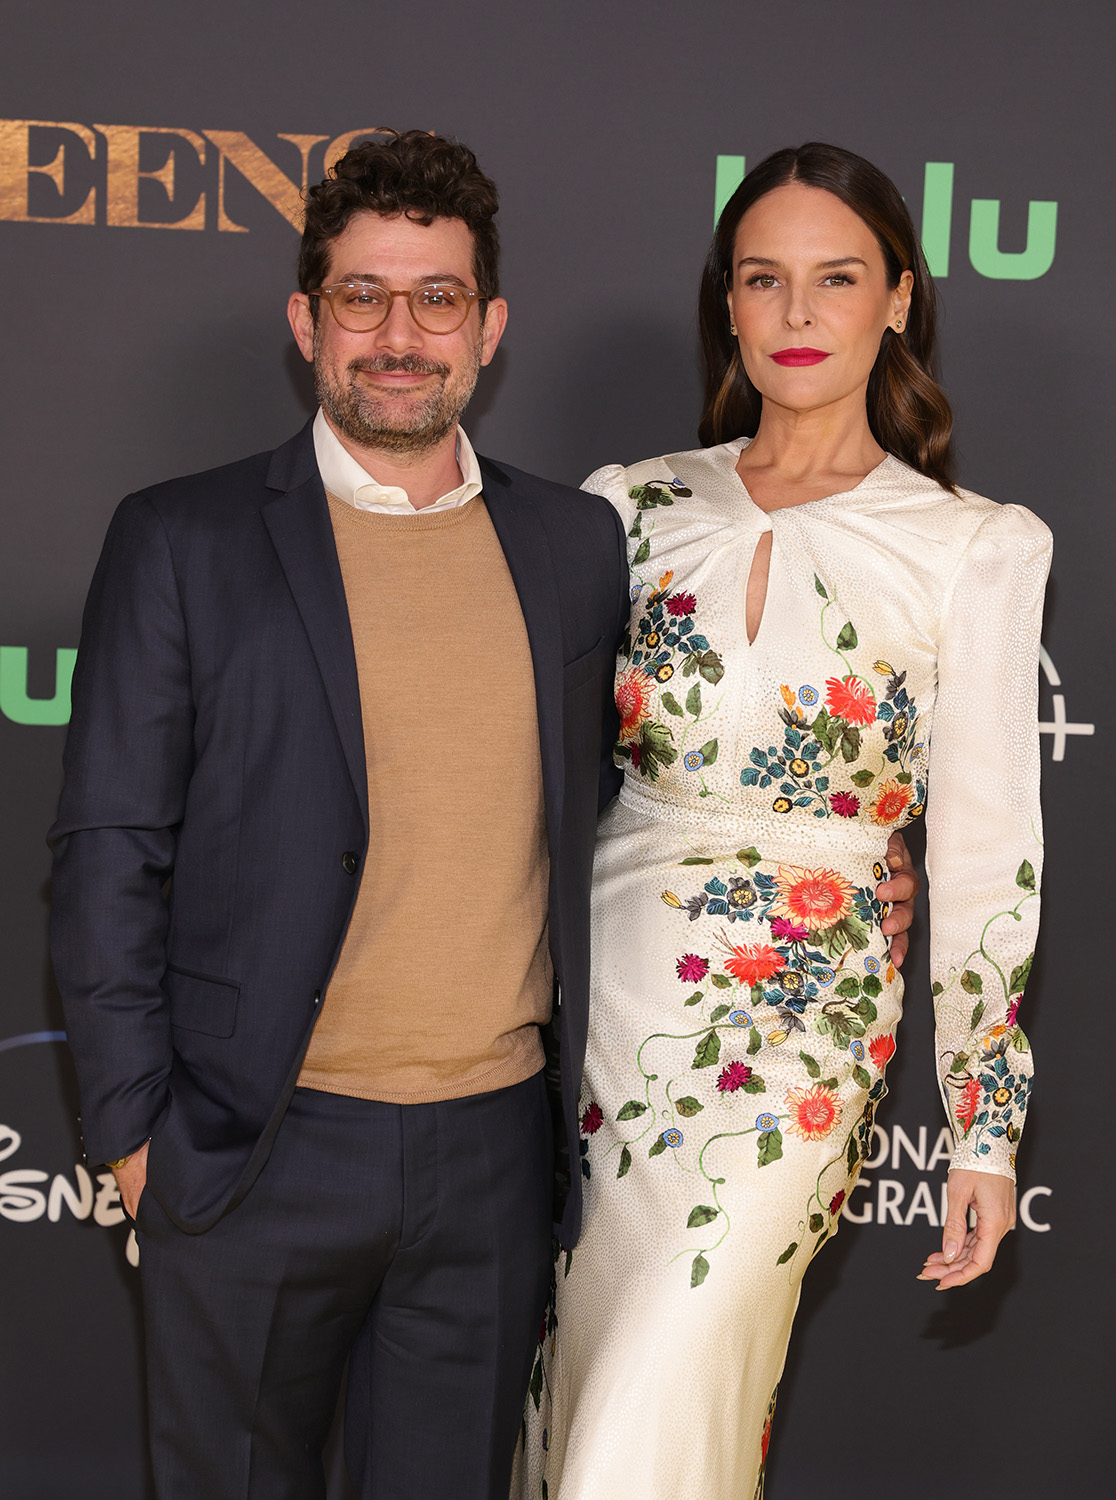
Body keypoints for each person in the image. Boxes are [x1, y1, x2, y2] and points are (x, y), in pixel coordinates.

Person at [49, 130, 917, 1500]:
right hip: (251, 1147)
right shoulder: (183, 538)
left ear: (491, 327)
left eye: (438, 298)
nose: (402, 335)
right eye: (364, 297)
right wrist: (133, 1139)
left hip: (493, 1162)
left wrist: (864, 858)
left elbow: (672, 771)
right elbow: (106, 848)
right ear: (306, 320)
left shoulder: (576, 545)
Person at [518, 143, 1050, 1500]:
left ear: (901, 303)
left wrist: (982, 1124)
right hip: (607, 1002)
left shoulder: (972, 546)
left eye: (836, 278)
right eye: (766, 280)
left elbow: (987, 849)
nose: (799, 315)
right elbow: (538, 781)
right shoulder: (625, 508)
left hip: (803, 1027)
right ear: (731, 304)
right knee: (582, 1381)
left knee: (668, 1362)